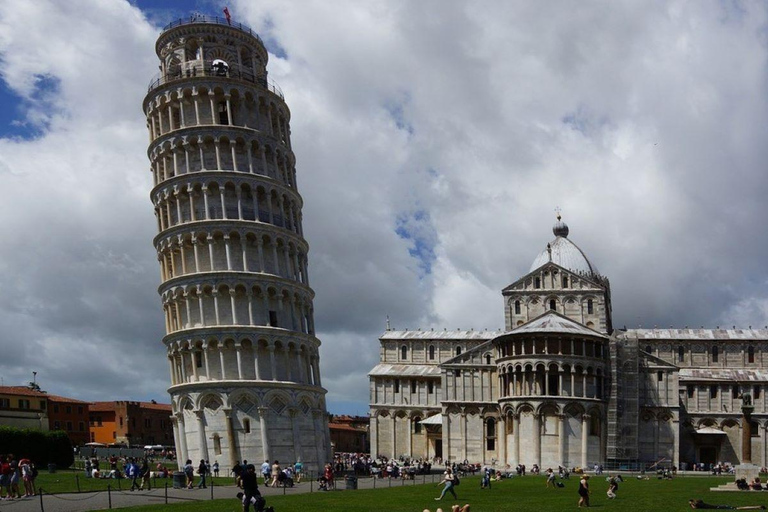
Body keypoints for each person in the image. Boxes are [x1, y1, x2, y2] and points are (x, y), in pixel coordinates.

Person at [689, 499, 766, 510]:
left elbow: (694, 508)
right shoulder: (701, 503)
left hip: (720, 507)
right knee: (738, 508)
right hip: (721, 506)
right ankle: (758, 507)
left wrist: (691, 504)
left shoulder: (700, 505)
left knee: (738, 508)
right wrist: (692, 502)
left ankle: (758, 506)